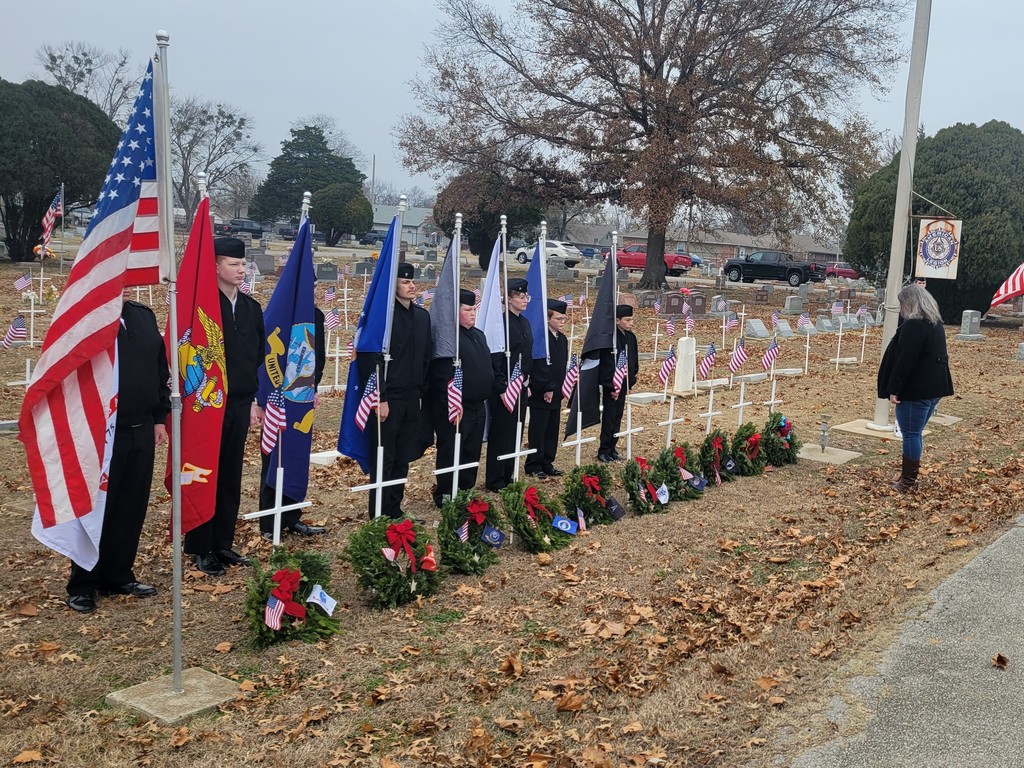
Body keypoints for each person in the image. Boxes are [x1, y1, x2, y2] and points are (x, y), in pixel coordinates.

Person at [66, 290, 171, 612]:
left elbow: (158, 370)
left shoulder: (143, 315)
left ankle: (118, 574)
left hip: (141, 426)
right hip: (102, 430)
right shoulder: (88, 315)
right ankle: (83, 583)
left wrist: (158, 417)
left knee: (130, 504)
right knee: (98, 506)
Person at [185, 237, 266, 576]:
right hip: (208, 404)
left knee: (231, 475)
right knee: (207, 472)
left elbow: (256, 356)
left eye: (243, 264)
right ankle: (200, 547)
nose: (241, 269)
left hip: (240, 403)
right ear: (216, 266)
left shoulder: (250, 308)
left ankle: (222, 542)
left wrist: (253, 400)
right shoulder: (203, 307)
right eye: (234, 264)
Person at [356, 261, 431, 518]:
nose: (412, 286)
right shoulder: (384, 318)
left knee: (403, 457)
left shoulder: (422, 317)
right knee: (384, 458)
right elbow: (370, 358)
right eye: (405, 282)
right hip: (389, 398)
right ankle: (378, 512)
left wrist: (421, 393)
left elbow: (425, 358)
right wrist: (380, 397)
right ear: (394, 285)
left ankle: (395, 508)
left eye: (412, 282)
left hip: (412, 397)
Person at [258, 303, 327, 538]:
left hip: (301, 394)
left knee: (296, 455)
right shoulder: (278, 310)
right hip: (277, 394)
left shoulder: (314, 314)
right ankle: (269, 523)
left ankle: (291, 517)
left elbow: (319, 355)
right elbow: (265, 353)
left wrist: (313, 386)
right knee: (273, 458)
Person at [876, 283, 954, 491]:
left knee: (910, 433)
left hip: (916, 389)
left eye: (903, 304)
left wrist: (894, 388)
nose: (901, 309)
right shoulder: (934, 323)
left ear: (910, 303)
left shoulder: (915, 325)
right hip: (933, 389)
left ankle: (908, 482)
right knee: (915, 432)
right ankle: (909, 477)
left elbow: (905, 360)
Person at [429, 289, 495, 506]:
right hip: (456, 405)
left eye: (474, 309)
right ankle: (446, 493)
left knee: (472, 449)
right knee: (451, 449)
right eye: (468, 310)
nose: (473, 313)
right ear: (455, 312)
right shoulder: (449, 340)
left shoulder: (478, 335)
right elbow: (441, 373)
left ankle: (466, 488)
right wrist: (453, 402)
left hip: (478, 405)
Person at [485, 277, 534, 491]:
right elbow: (496, 357)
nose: (525, 300)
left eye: (526, 296)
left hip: (521, 385)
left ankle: (509, 473)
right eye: (520, 296)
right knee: (501, 432)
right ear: (509, 298)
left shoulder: (524, 322)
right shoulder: (501, 323)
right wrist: (502, 386)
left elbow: (526, 354)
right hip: (505, 386)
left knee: (516, 430)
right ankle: (495, 478)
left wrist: (527, 380)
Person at [525, 298, 569, 478]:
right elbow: (539, 365)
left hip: (556, 391)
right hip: (541, 392)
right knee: (538, 429)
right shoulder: (540, 338)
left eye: (563, 319)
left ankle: (547, 461)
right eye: (558, 318)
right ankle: (534, 464)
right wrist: (546, 387)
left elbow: (560, 364)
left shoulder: (562, 339)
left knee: (552, 429)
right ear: (548, 317)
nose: (562, 322)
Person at [597, 304, 639, 462]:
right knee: (609, 417)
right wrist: (612, 385)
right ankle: (604, 449)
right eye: (627, 320)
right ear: (617, 320)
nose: (630, 323)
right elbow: (606, 364)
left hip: (624, 384)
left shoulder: (630, 337)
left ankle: (612, 447)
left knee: (617, 417)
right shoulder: (610, 339)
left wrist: (629, 382)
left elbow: (634, 362)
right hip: (611, 386)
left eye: (632, 320)